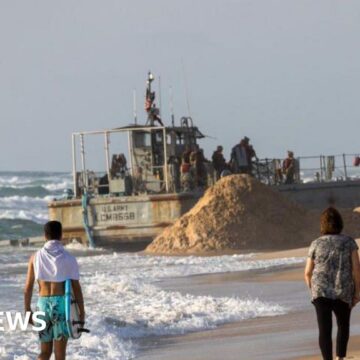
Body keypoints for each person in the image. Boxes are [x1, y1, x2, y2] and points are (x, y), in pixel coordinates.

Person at [304, 207, 360, 360]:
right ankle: (340, 358)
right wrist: (357, 293)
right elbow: (356, 269)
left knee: (324, 330)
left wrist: (314, 290)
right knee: (343, 326)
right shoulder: (349, 242)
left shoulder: (315, 243)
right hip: (343, 289)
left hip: (320, 290)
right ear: (340, 223)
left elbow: (308, 272)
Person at [24, 221, 85, 360]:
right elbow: (76, 288)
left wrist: (27, 310)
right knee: (59, 355)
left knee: (44, 352)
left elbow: (28, 287)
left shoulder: (34, 257)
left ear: (45, 236)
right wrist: (82, 312)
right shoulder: (69, 258)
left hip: (42, 305)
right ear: (61, 235)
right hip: (61, 306)